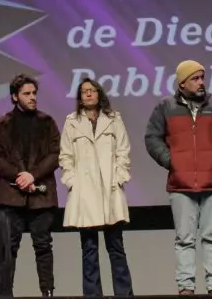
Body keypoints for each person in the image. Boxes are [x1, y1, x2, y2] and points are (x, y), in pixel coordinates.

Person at [144, 60, 212, 295]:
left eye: (202, 77)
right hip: (180, 184)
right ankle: (186, 287)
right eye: (195, 78)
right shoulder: (165, 107)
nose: (201, 82)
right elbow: (152, 138)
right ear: (182, 83)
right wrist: (171, 161)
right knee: (184, 239)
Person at [0, 74, 62, 297]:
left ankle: (47, 292)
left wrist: (33, 176)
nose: (32, 98)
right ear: (14, 97)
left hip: (41, 196)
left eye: (34, 93)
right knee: (9, 248)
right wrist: (19, 175)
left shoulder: (47, 122)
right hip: (11, 195)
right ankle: (5, 293)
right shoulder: (2, 124)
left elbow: (55, 154)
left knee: (43, 245)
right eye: (26, 94)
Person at [60, 77, 134, 297]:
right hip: (85, 193)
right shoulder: (71, 121)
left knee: (116, 247)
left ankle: (124, 293)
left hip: (110, 189)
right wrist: (72, 181)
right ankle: (92, 295)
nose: (89, 94)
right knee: (89, 249)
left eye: (92, 90)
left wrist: (119, 177)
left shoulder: (113, 119)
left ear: (99, 94)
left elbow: (123, 150)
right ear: (80, 98)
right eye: (84, 91)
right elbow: (65, 156)